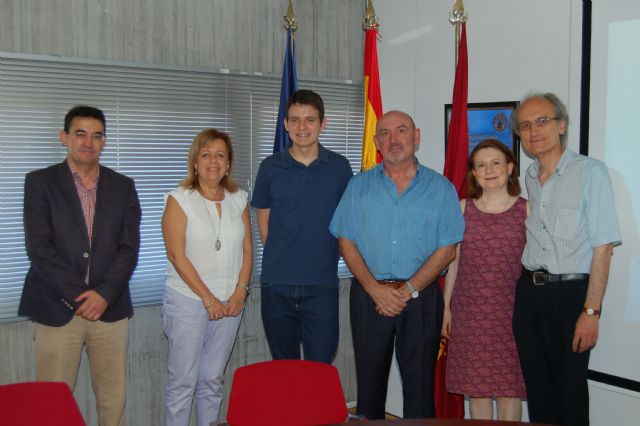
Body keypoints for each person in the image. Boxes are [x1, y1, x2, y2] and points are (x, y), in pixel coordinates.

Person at [329, 110, 464, 419]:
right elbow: (345, 242)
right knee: (369, 387)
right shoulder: (358, 186)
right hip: (368, 296)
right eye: (385, 133)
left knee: (419, 388)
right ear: (376, 142)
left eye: (401, 131)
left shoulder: (441, 188)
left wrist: (408, 290)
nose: (394, 139)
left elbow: (447, 250)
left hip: (422, 299)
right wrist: (376, 290)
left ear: (416, 136)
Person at [19, 105, 141, 426]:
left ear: (104, 142)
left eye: (97, 135)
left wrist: (103, 294)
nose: (89, 142)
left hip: (110, 309)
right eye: (81, 134)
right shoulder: (39, 183)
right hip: (57, 308)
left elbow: (129, 249)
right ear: (65, 138)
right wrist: (81, 297)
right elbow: (39, 248)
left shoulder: (124, 186)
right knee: (52, 401)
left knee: (113, 399)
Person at [510, 93, 621, 426]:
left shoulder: (591, 173)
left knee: (570, 390)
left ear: (562, 125)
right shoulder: (529, 176)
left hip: (571, 296)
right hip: (529, 293)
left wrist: (591, 311)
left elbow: (603, 248)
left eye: (542, 121)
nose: (533, 131)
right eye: (525, 126)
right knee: (538, 389)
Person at [251, 89, 353, 364]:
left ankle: (316, 410)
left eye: (310, 120)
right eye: (294, 120)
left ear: (323, 123)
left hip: (322, 285)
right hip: (277, 285)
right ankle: (290, 410)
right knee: (284, 367)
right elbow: (264, 221)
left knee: (320, 366)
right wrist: (285, 258)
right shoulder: (270, 168)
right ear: (285, 124)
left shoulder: (340, 168)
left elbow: (348, 222)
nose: (302, 127)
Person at [161, 129, 252, 426]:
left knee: (212, 379)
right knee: (182, 384)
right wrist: (208, 298)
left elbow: (248, 249)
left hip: (230, 303)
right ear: (196, 162)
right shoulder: (180, 199)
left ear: (228, 164)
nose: (213, 161)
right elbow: (177, 255)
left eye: (220, 155)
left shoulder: (239, 199)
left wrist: (240, 291)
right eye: (206, 154)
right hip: (189, 302)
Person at [442, 139, 527, 421]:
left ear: (510, 167)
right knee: (476, 389)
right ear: (474, 173)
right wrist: (446, 307)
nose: (489, 170)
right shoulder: (462, 208)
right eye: (481, 165)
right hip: (470, 313)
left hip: (513, 314)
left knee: (509, 389)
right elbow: (453, 262)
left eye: (495, 163)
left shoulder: (528, 210)